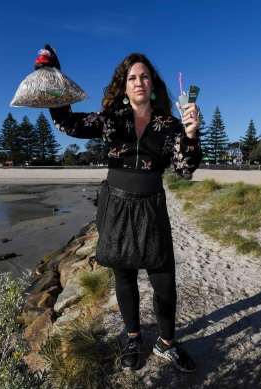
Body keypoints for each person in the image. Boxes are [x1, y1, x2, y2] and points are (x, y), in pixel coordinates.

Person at [47, 50, 202, 373]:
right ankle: (133, 339)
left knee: (164, 281)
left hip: (151, 208)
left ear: (153, 84)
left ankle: (166, 343)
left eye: (144, 76)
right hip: (115, 205)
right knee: (125, 277)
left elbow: (185, 169)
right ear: (124, 85)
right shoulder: (110, 119)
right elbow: (66, 123)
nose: (139, 82)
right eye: (132, 77)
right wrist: (52, 77)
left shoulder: (170, 125)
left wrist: (190, 134)